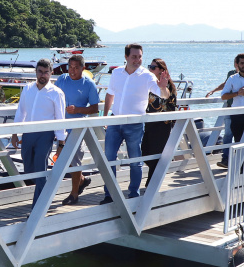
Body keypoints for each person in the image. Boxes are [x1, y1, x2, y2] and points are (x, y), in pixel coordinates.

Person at [100, 43, 173, 204]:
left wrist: (163, 87)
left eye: (140, 57)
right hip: (114, 121)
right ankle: (109, 195)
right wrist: (105, 117)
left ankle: (133, 194)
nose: (137, 60)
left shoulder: (147, 76)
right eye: (134, 56)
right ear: (126, 57)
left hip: (135, 124)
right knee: (109, 159)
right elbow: (110, 95)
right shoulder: (117, 73)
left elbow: (164, 95)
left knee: (135, 161)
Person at [10, 59, 66, 208]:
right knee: (29, 169)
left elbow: (60, 118)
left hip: (45, 135)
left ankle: (38, 206)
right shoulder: (27, 89)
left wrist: (61, 142)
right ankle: (46, 190)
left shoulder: (57, 93)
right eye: (40, 72)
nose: (43, 75)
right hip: (28, 133)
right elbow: (21, 112)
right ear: (36, 72)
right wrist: (14, 133)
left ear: (51, 73)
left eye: (46, 72)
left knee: (41, 170)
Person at [55, 54, 99, 205]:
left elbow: (95, 108)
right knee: (62, 158)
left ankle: (74, 195)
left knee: (75, 161)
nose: (72, 71)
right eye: (70, 67)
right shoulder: (62, 79)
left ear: (82, 68)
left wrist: (78, 109)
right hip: (61, 127)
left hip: (78, 128)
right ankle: (82, 180)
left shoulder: (89, 84)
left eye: (76, 68)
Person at [141, 58, 178, 185]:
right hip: (148, 122)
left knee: (156, 153)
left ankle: (151, 183)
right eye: (149, 67)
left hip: (162, 125)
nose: (150, 69)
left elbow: (171, 105)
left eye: (153, 67)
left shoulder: (168, 86)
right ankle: (154, 178)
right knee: (144, 151)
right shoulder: (149, 83)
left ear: (162, 70)